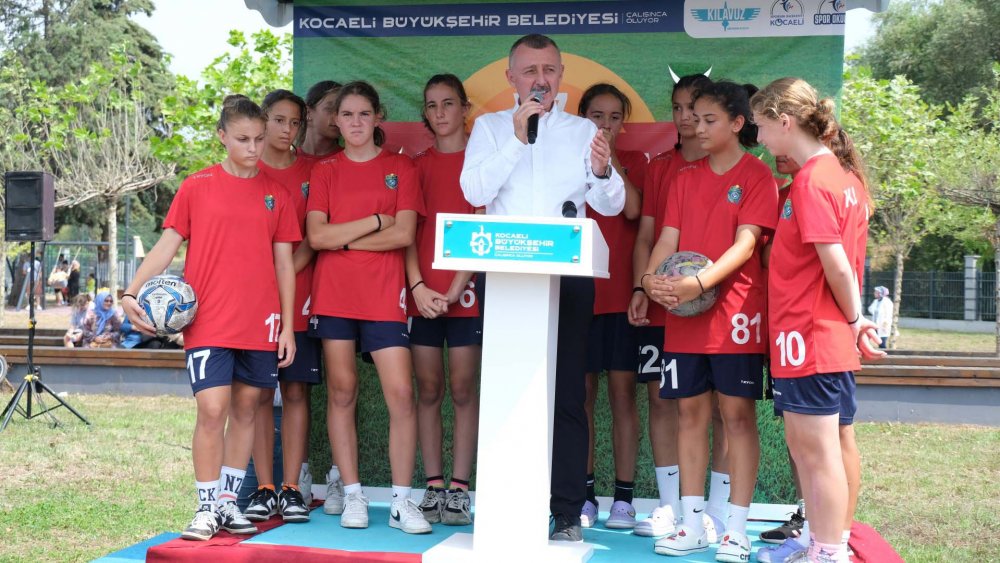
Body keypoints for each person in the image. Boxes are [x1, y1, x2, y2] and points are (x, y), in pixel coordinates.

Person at [461, 33, 625, 542]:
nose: (540, 79)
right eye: (530, 70)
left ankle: (567, 512)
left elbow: (613, 203)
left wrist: (601, 170)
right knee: (506, 388)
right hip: (506, 278)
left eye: (549, 69)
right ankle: (503, 507)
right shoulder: (490, 128)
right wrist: (516, 137)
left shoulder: (582, 130)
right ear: (511, 77)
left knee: (568, 395)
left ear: (561, 75)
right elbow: (473, 190)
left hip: (567, 277)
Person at [121, 94, 299, 542]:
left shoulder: (277, 195)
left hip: (261, 322)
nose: (253, 148)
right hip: (209, 321)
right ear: (222, 136)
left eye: (258, 139)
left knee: (246, 410)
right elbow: (166, 246)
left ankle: (228, 503)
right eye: (242, 139)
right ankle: (204, 507)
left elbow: (284, 265)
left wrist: (288, 327)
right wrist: (128, 292)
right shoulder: (196, 186)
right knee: (212, 409)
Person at [641, 80, 777, 561]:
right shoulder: (684, 178)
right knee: (689, 415)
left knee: (736, 416)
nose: (696, 127)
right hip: (685, 316)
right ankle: (692, 523)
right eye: (693, 119)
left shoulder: (758, 175)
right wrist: (650, 280)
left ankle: (736, 529)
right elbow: (667, 238)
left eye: (708, 119)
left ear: (738, 123)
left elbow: (746, 244)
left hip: (736, 315)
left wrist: (697, 284)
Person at [751, 77, 883, 563]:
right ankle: (827, 543)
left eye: (762, 126)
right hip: (820, 336)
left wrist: (855, 318)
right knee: (831, 445)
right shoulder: (845, 178)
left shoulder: (812, 181)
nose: (759, 138)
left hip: (809, 335)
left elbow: (838, 266)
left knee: (815, 452)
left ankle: (826, 552)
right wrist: (853, 320)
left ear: (785, 122)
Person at [306, 80, 431, 535]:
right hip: (335, 293)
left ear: (378, 117)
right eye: (347, 114)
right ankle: (354, 493)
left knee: (401, 394)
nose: (355, 122)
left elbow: (404, 234)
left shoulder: (401, 167)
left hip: (383, 294)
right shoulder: (325, 170)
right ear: (335, 121)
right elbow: (317, 236)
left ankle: (401, 502)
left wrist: (344, 240)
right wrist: (376, 221)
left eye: (364, 113)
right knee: (342, 392)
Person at [629, 73, 732, 540]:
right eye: (678, 107)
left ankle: (719, 510)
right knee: (663, 398)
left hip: (721, 306)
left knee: (725, 407)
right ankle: (671, 507)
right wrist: (642, 287)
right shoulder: (662, 168)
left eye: (696, 108)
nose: (687, 117)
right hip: (665, 303)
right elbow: (648, 236)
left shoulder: (733, 169)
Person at [243, 89, 323, 525]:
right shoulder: (248, 170)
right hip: (254, 299)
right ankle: (263, 487)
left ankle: (291, 487)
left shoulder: (313, 171)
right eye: (279, 120)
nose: (287, 130)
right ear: (263, 119)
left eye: (295, 123)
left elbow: (312, 237)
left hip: (300, 296)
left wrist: (284, 275)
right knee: (257, 393)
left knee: (295, 391)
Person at [407, 74, 482, 528]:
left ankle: (460, 490)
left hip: (465, 293)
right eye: (432, 105)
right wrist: (418, 287)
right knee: (429, 389)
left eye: (448, 103)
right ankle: (433, 486)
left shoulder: (481, 163)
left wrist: (455, 288)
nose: (440, 112)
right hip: (423, 297)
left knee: (463, 389)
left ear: (465, 108)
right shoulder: (415, 166)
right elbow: (406, 234)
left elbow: (482, 226)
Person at [576, 82, 645, 530]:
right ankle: (584, 496)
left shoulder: (636, 162)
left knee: (623, 396)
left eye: (614, 117)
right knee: (581, 397)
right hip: (579, 295)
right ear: (581, 118)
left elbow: (633, 211)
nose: (604, 124)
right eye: (596, 116)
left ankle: (623, 498)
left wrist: (611, 159)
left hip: (621, 299)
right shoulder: (567, 161)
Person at [298, 80, 343, 160]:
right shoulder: (286, 160)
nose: (338, 117)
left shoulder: (351, 160)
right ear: (308, 112)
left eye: (344, 112)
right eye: (330, 108)